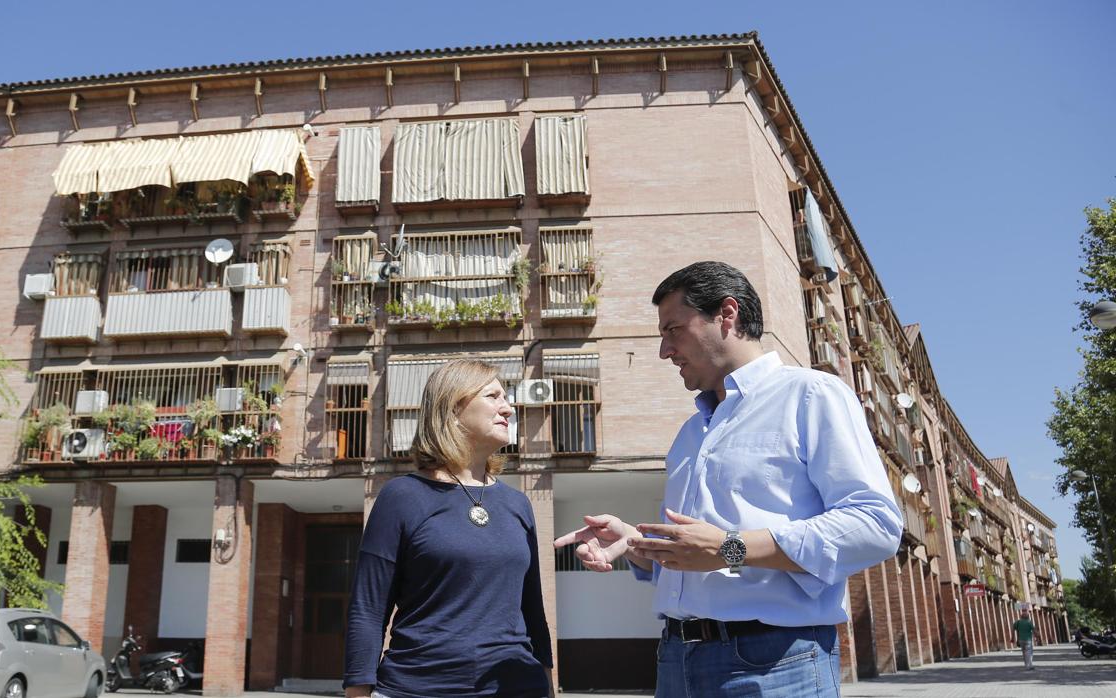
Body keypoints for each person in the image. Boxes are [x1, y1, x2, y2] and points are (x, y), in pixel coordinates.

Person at [555, 261, 903, 697]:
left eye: (673, 330)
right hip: (675, 661)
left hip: (774, 665)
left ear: (727, 314)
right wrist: (638, 547)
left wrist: (730, 548)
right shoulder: (690, 433)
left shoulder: (811, 395)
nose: (665, 352)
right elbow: (700, 557)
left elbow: (875, 527)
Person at [343, 359, 553, 698]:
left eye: (507, 397)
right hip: (417, 688)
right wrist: (358, 692)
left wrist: (547, 685)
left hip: (517, 687)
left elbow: (532, 610)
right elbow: (368, 608)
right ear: (453, 408)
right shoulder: (403, 496)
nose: (509, 408)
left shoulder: (518, 504)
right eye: (493, 396)